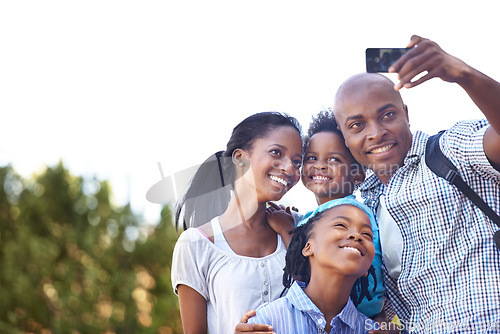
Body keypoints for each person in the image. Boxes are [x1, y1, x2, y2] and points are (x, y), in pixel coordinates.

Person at [333, 35, 500, 332]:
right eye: (357, 125)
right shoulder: (364, 209)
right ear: (345, 136)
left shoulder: (450, 150)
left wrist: (463, 74)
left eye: (387, 115)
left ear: (406, 115)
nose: (376, 133)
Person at [171, 111, 303, 334]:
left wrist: (291, 232)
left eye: (297, 161)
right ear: (240, 158)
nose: (290, 167)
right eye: (276, 152)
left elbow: (325, 304)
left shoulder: (299, 227)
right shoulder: (197, 245)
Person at [248, 197, 378, 333]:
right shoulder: (265, 322)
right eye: (341, 225)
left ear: (367, 268)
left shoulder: (369, 330)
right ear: (308, 247)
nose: (356, 236)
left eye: (367, 234)